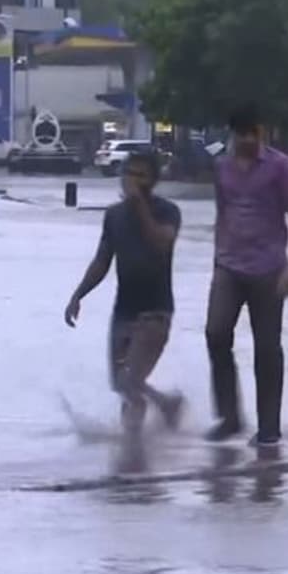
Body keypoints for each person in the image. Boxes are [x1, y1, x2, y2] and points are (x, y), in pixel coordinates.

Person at [204, 104, 288, 447]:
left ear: (261, 132)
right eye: (241, 133)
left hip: (269, 269)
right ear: (232, 134)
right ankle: (229, 416)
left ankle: (269, 428)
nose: (248, 140)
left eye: (253, 133)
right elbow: (222, 212)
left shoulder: (279, 166)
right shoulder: (221, 167)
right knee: (216, 333)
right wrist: (217, 257)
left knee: (267, 348)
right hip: (229, 265)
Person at [65, 150, 185, 434]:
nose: (133, 180)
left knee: (132, 380)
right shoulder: (114, 216)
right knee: (121, 384)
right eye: (129, 173)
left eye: (141, 176)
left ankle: (148, 428)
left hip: (156, 311)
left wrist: (140, 205)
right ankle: (132, 451)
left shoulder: (167, 211)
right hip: (124, 310)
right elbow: (102, 260)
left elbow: (161, 243)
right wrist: (78, 295)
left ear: (153, 181)